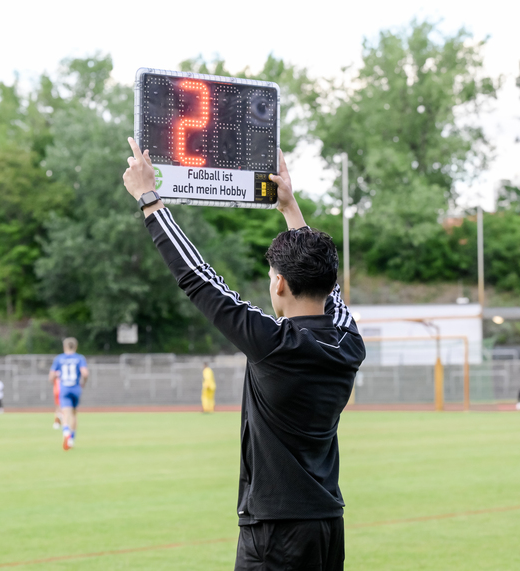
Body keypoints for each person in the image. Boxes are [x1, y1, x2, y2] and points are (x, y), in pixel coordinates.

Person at [123, 137, 365, 571]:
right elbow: (328, 290)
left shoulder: (275, 345)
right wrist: (291, 209)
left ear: (279, 286)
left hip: (275, 531)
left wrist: (150, 199)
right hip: (328, 523)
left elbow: (198, 278)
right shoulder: (349, 342)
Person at [49, 337, 89, 450]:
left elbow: (51, 376)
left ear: (64, 347)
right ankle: (71, 439)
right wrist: (83, 383)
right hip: (76, 388)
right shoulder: (80, 358)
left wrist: (53, 382)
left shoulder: (59, 358)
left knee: (65, 413)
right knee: (74, 414)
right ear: (75, 347)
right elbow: (85, 373)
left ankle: (65, 432)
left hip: (65, 388)